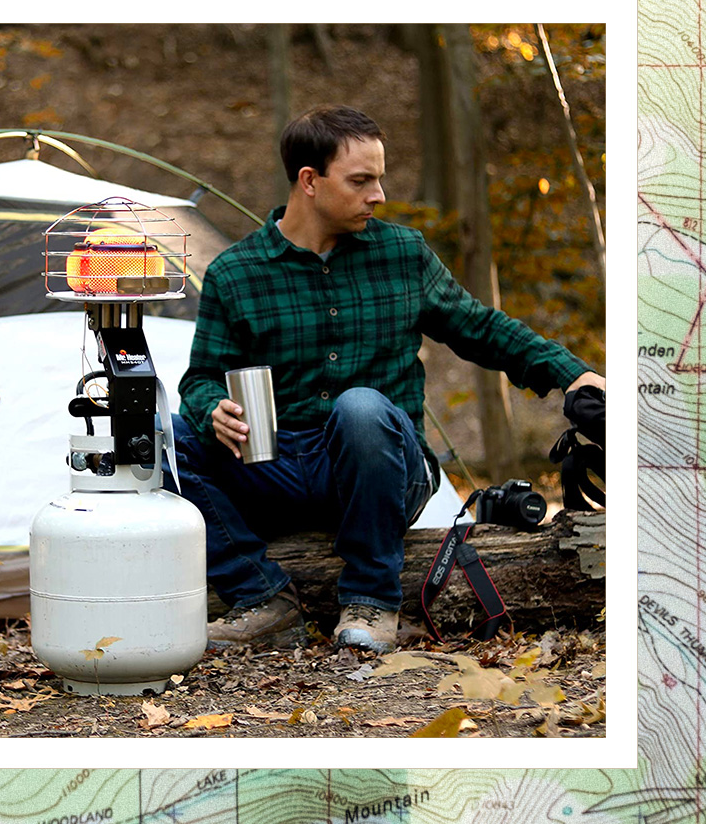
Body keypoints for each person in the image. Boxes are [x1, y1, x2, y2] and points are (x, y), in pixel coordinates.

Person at [164, 105, 605, 654]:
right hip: (276, 466)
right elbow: (201, 377)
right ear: (310, 181)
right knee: (160, 439)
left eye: (379, 178)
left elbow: (481, 328)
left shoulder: (402, 255)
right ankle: (262, 599)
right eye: (361, 180)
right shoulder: (236, 273)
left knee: (361, 408)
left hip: (385, 465)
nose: (379, 195)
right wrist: (211, 408)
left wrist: (573, 374)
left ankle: (372, 600)